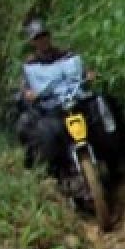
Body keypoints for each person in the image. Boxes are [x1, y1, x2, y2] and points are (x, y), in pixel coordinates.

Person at [14, 18, 117, 171]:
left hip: (76, 100)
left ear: (49, 36)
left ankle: (115, 159)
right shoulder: (30, 65)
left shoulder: (67, 55)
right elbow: (24, 88)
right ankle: (55, 171)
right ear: (32, 42)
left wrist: (89, 75)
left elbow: (83, 71)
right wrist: (28, 93)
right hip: (52, 110)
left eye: (43, 36)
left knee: (102, 108)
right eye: (37, 38)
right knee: (43, 132)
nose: (42, 40)